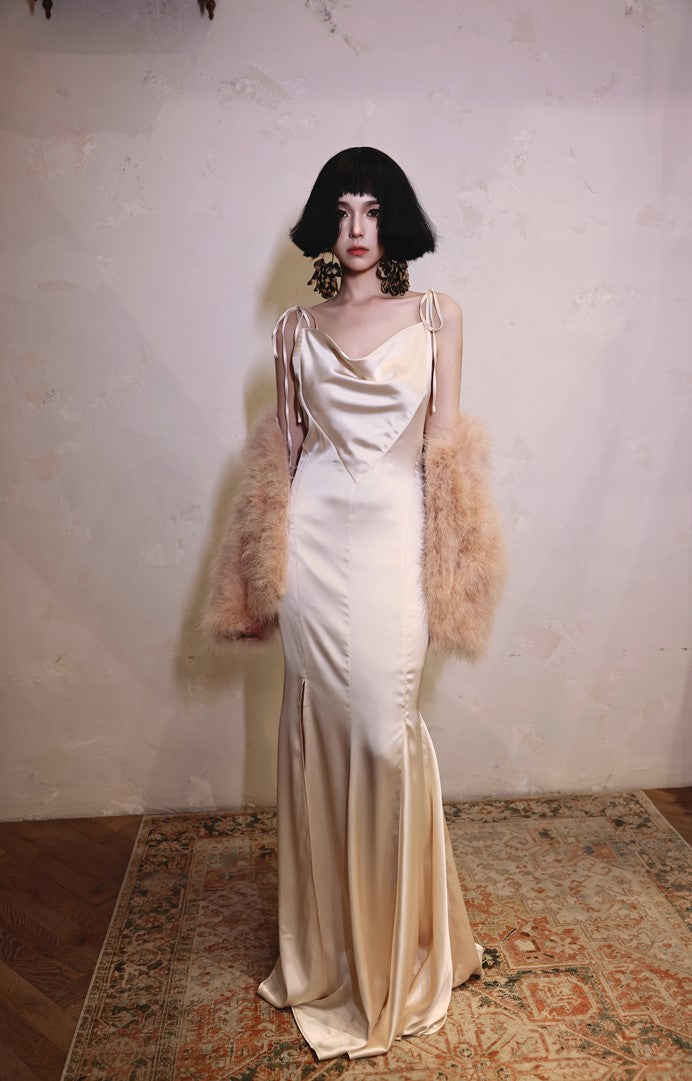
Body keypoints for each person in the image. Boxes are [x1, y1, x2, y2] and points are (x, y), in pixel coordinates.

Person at [201, 146, 507, 1060]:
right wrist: (258, 572)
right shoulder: (295, 327)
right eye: (342, 211)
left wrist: (452, 574)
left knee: (382, 731)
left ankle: (401, 948)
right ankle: (331, 950)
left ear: (395, 219)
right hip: (312, 548)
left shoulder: (438, 316)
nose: (357, 228)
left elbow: (444, 453)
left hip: (395, 539)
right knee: (323, 734)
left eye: (372, 210)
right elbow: (286, 455)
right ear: (324, 226)